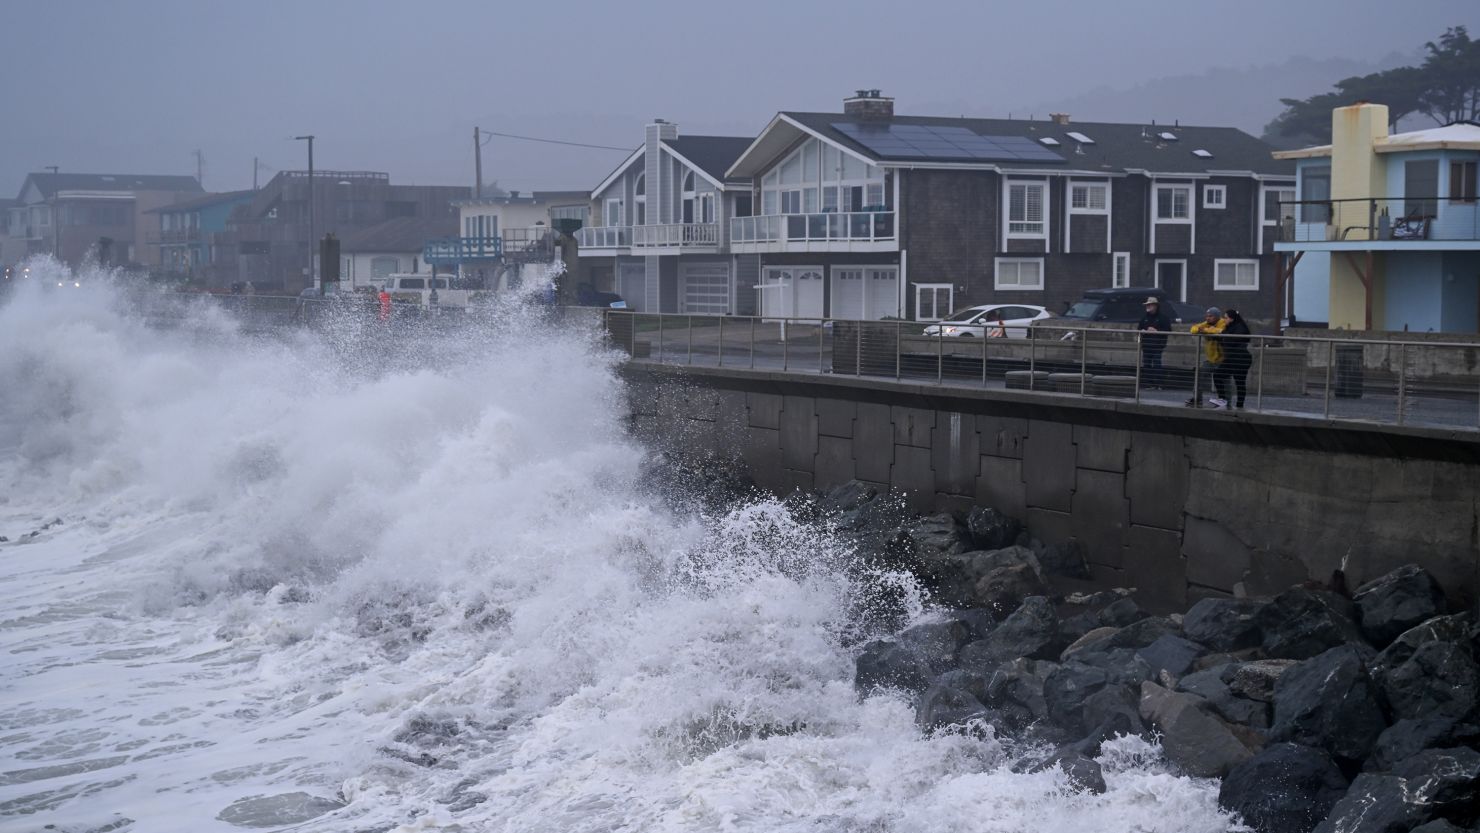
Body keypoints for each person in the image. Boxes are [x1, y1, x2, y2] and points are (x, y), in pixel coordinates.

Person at [1186, 307, 1227, 407]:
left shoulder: (1223, 322)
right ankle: (1197, 398)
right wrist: (1205, 329)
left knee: (1224, 381)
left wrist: (1205, 330)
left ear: (1217, 317)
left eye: (1210, 316)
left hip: (1223, 359)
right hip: (1210, 359)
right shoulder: (1207, 324)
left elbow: (1221, 331)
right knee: (1199, 375)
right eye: (1207, 316)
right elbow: (1194, 329)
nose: (1207, 318)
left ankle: (1226, 401)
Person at [1212, 308, 1253, 409]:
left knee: (1239, 382)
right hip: (1231, 358)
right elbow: (1224, 338)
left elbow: (1232, 339)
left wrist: (1221, 336)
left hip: (1241, 358)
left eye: (1226, 318)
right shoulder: (1229, 327)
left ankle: (1239, 405)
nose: (1224, 320)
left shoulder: (1240, 327)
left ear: (1232, 319)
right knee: (1217, 376)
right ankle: (1222, 400)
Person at [1136, 297, 1172, 388]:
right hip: (1146, 345)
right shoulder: (1144, 318)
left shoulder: (1163, 318)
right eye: (1147, 305)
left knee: (1157, 365)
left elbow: (1168, 330)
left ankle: (1159, 384)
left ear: (1155, 306)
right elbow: (1139, 328)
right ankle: (1149, 384)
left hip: (1158, 345)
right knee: (1146, 365)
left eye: (1150, 305)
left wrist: (1156, 331)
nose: (1148, 306)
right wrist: (1143, 331)